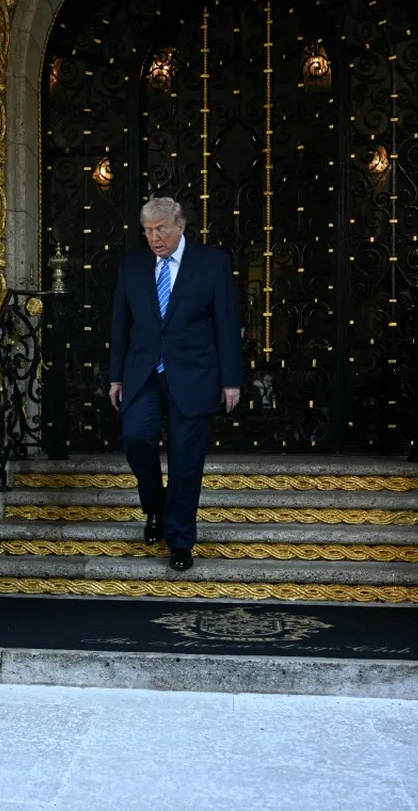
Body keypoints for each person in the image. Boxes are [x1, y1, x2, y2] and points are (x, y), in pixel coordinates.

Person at [109, 197, 243, 571]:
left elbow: (226, 324)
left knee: (186, 463)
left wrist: (230, 380)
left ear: (180, 226)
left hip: (195, 375)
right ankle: (156, 506)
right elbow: (120, 324)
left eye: (161, 229)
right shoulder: (132, 266)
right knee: (135, 438)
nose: (154, 237)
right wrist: (115, 376)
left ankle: (181, 540)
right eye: (148, 231)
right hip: (143, 375)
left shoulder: (212, 263)